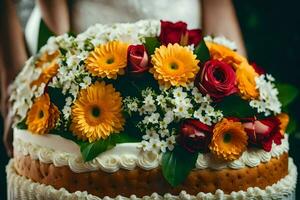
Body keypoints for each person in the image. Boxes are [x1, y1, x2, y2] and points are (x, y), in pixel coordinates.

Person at [1, 0, 246, 157]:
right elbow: (56, 44)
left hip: (180, 70)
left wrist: (241, 89)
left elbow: (220, 15)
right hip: (82, 62)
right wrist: (22, 85)